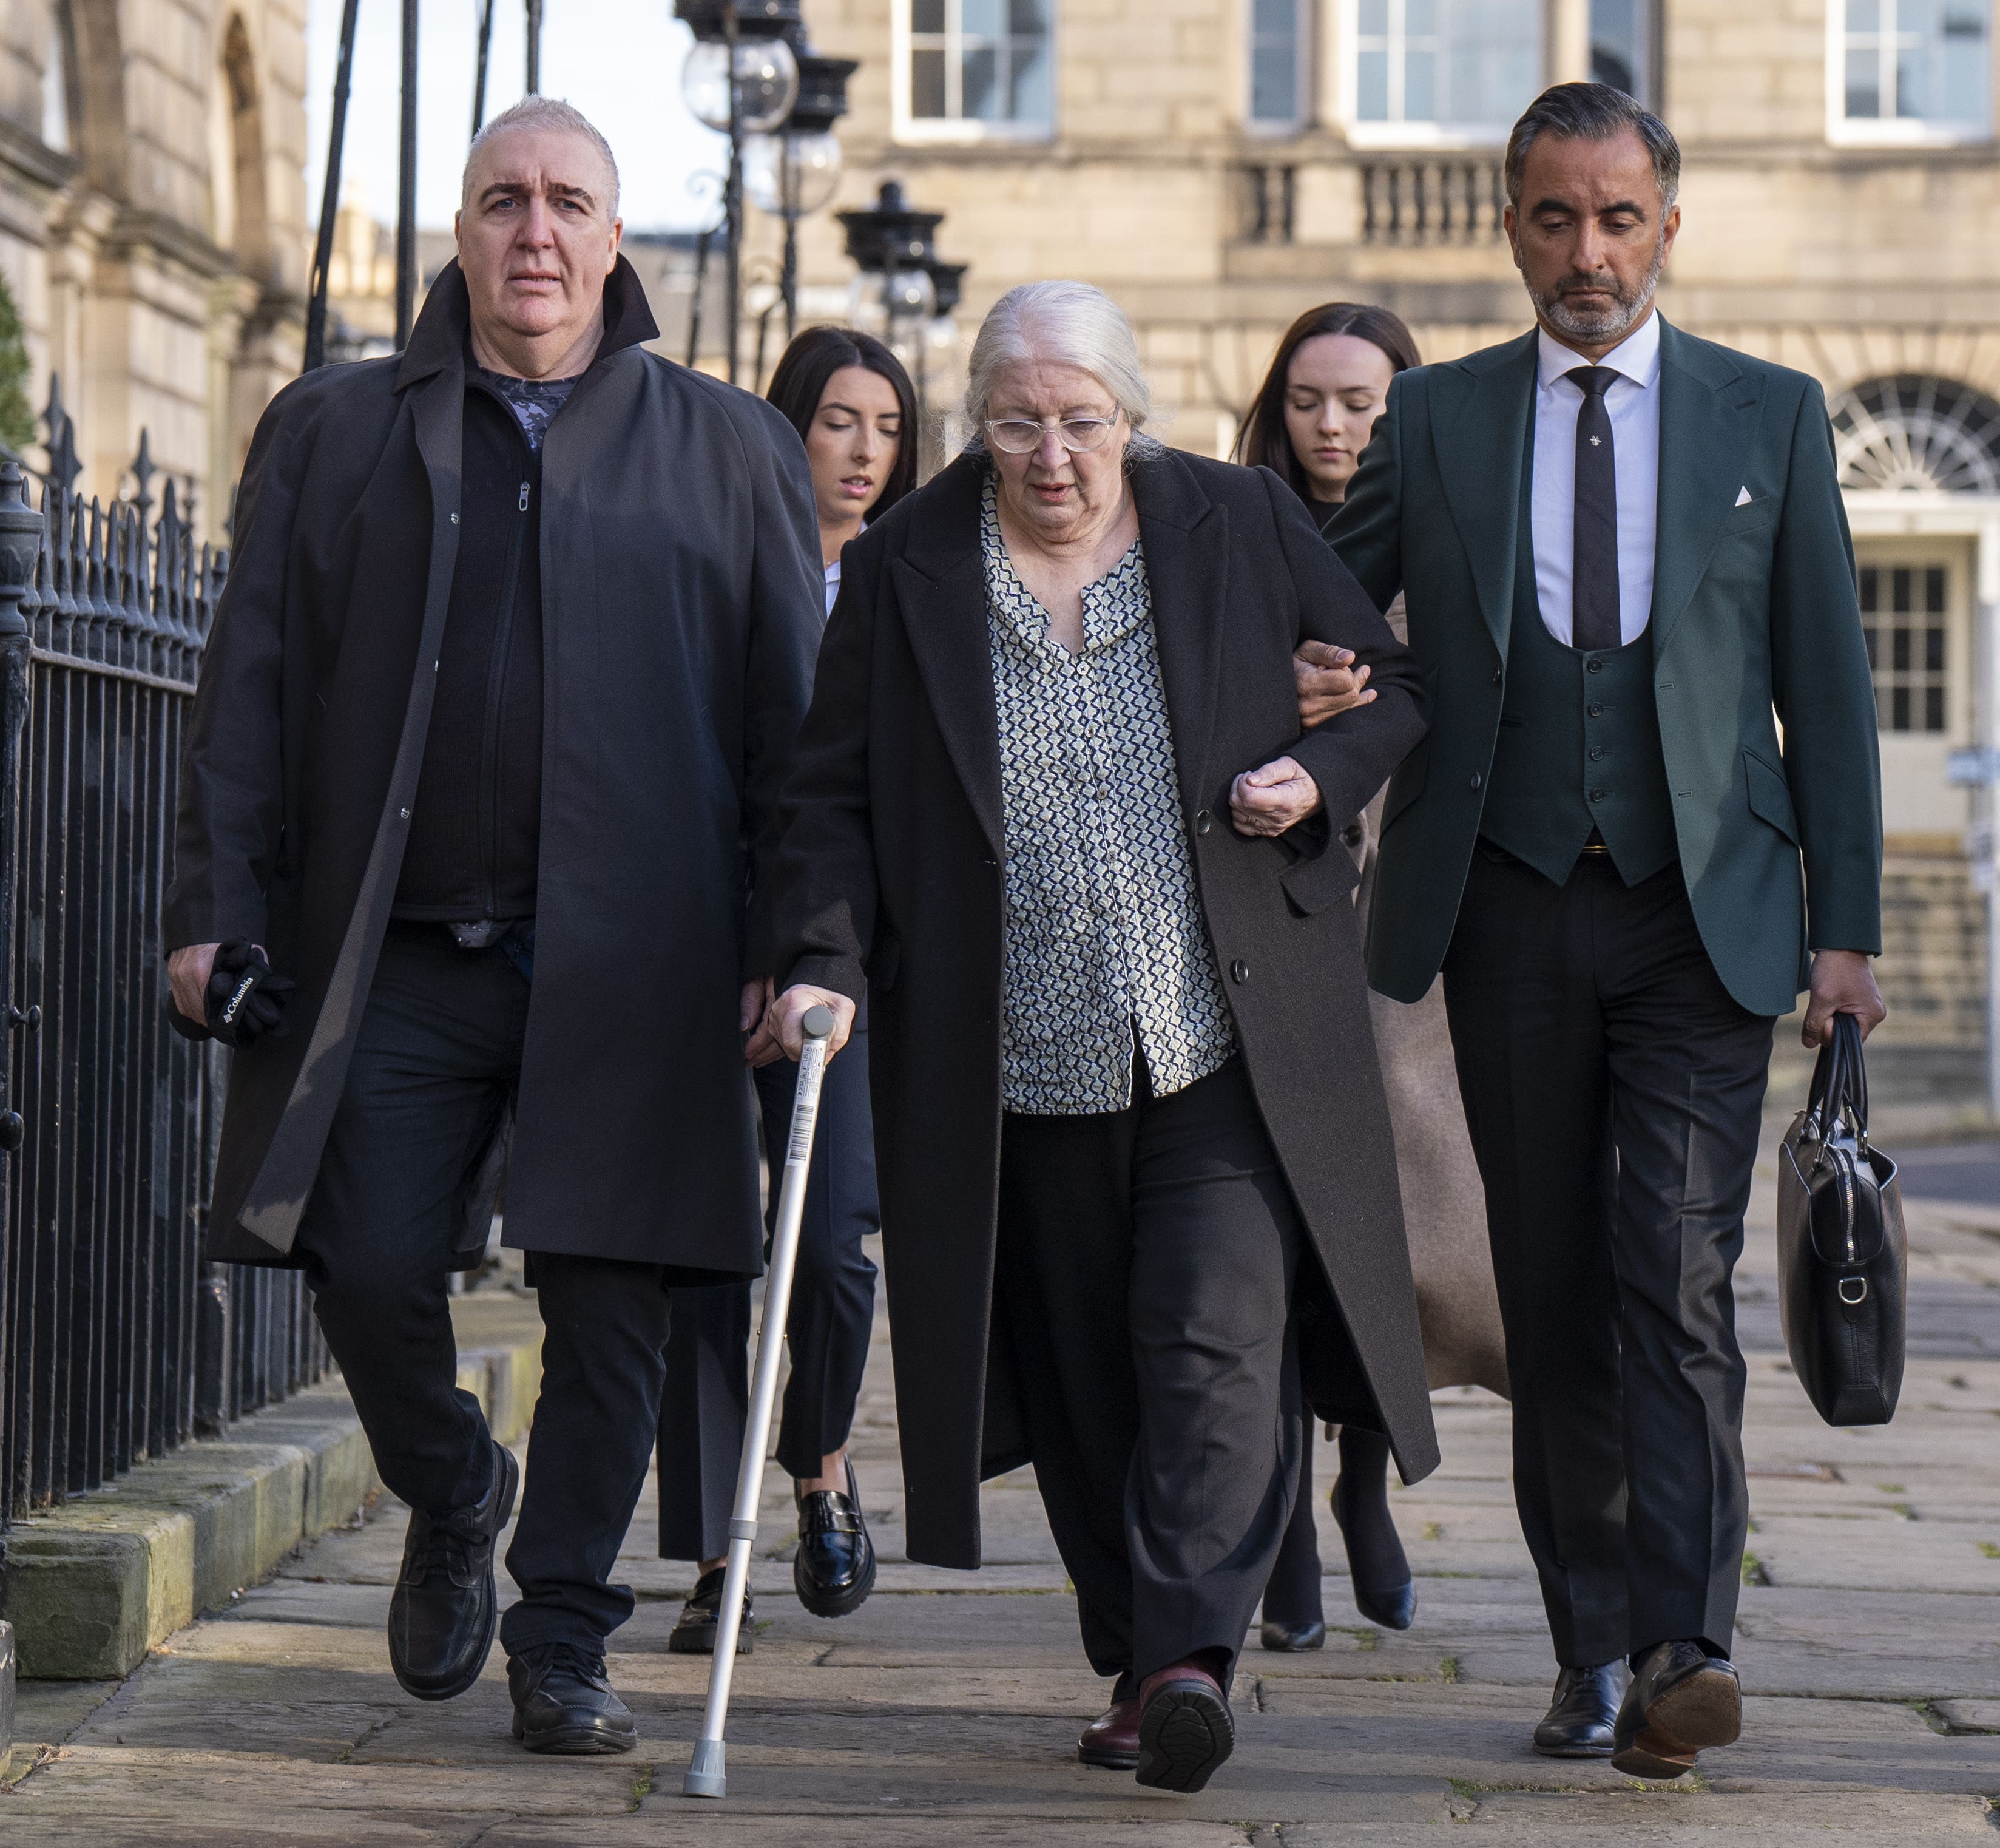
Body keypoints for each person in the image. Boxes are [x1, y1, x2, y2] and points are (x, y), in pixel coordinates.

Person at [160, 98, 823, 1755]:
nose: (537, 231)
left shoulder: (731, 445)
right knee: (366, 1260)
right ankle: (456, 1480)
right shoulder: (333, 426)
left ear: (614, 236)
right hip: (401, 952)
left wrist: (805, 939)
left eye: (569, 203)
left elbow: (797, 734)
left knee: (620, 1308)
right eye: (504, 199)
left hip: (645, 958)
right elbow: (247, 691)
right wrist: (209, 912)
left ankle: (565, 1633)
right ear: (461, 229)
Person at [758, 280, 1439, 1796]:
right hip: (1015, 1053)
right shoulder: (907, 565)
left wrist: (1315, 774)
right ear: (981, 422)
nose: (1051, 456)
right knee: (1077, 1383)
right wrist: (815, 958)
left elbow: (1393, 686)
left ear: (1129, 416)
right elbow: (827, 800)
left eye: (1080, 422)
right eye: (1017, 423)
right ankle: (1139, 1654)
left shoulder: (1235, 519)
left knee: (1213, 1343)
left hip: (1217, 1032)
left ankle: (1193, 1655)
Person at [1322, 82, 1887, 1781]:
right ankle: (1584, 1646)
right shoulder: (1436, 422)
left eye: (1618, 218)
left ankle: (1682, 1645)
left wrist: (1844, 932)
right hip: (1499, 905)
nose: (1588, 254)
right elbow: (1322, 595)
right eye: (1556, 218)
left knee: (1677, 1276)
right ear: (1511, 225)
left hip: (1700, 915)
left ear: (1668, 223)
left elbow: (1831, 693)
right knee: (1555, 1294)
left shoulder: (1768, 417)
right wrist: (1295, 665)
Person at [1234, 302, 1512, 1654]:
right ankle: (1279, 1513)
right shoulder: (1233, 533)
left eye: (1362, 403)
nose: (1333, 428)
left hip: (1412, 927)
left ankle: (1361, 1477)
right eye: (1308, 402)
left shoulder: (1458, 532)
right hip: (1272, 914)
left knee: (1400, 1225)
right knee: (1267, 1227)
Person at [659, 328, 917, 1653]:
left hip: (840, 969)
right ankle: (716, 1553)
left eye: (884, 424)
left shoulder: (912, 587)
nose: (862, 449)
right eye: (835, 420)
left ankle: (817, 1461)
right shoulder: (714, 570)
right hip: (697, 946)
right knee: (699, 1252)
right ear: (783, 432)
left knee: (830, 1244)